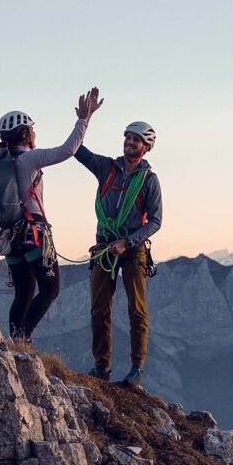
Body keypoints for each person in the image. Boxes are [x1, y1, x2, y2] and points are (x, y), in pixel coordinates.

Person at [0, 88, 104, 343]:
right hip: (33, 233)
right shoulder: (29, 158)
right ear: (24, 133)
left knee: (23, 292)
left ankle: (16, 342)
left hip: (9, 236)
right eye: (32, 130)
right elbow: (67, 150)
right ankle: (23, 340)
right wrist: (84, 120)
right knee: (50, 289)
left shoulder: (2, 162)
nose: (35, 134)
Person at [75, 121, 162, 388]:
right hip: (104, 245)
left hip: (133, 248)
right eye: (127, 137)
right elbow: (77, 150)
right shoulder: (107, 168)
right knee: (99, 308)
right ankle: (102, 367)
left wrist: (127, 241)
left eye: (136, 139)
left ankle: (137, 368)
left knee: (137, 309)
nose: (129, 142)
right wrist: (83, 120)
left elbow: (155, 221)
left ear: (145, 147)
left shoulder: (149, 180)